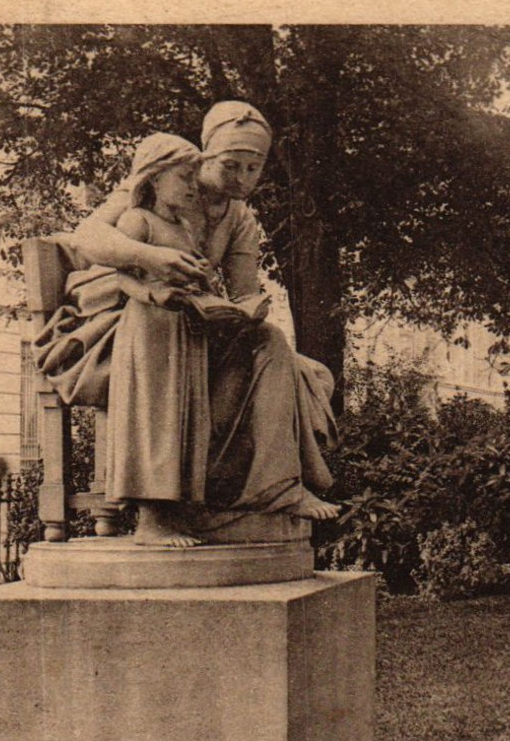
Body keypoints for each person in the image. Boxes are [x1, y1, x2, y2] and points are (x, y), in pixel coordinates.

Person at [53, 102, 338, 545]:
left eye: (253, 168)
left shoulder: (241, 218)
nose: (242, 178)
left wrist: (246, 310)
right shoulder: (164, 180)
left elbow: (244, 289)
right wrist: (155, 259)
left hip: (192, 321)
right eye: (231, 165)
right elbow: (89, 238)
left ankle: (273, 489)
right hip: (120, 324)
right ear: (205, 154)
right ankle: (166, 507)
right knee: (164, 331)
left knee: (272, 343)